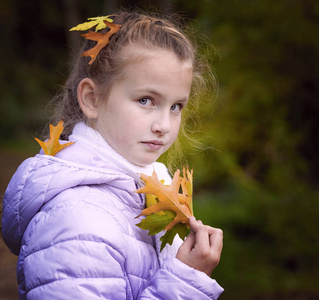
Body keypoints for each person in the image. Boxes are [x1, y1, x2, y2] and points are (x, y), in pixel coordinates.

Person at [1, 11, 223, 299]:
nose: (164, 126)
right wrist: (184, 282)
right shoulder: (77, 221)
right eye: (146, 100)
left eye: (176, 106)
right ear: (92, 99)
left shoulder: (147, 189)